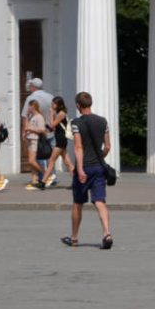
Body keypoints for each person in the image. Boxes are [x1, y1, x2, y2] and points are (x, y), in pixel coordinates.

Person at [62, 91, 114, 249]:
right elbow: (108, 147)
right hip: (99, 167)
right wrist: (100, 156)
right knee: (100, 201)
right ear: (90, 103)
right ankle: (106, 233)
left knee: (78, 203)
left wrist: (79, 169)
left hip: (84, 167)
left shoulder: (76, 122)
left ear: (78, 105)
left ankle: (74, 237)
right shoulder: (102, 121)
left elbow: (78, 147)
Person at [21, 78, 54, 184]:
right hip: (51, 131)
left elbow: (25, 116)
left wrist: (24, 131)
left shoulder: (31, 98)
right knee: (50, 156)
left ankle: (43, 178)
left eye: (30, 86)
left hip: (37, 133)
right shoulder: (51, 97)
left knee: (39, 155)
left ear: (33, 87)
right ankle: (51, 177)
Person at [44, 96, 76, 187]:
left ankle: (43, 182)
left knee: (51, 161)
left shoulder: (61, 113)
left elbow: (52, 125)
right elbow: (53, 128)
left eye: (53, 104)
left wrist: (50, 113)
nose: (52, 105)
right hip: (60, 138)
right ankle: (76, 182)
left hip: (61, 140)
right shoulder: (59, 113)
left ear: (58, 105)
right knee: (68, 162)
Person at [23, 100, 47, 190]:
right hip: (30, 138)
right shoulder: (31, 116)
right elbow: (26, 127)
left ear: (33, 106)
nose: (28, 108)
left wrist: (30, 129)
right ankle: (34, 180)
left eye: (29, 106)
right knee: (32, 162)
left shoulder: (39, 117)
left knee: (31, 161)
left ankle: (45, 174)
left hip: (35, 139)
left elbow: (42, 130)